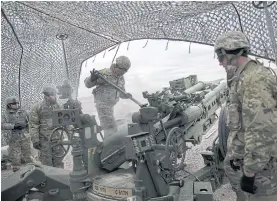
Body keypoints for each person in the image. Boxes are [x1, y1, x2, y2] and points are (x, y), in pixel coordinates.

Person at [214, 31, 277, 201]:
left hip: (262, 173)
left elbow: (261, 130)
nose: (220, 63)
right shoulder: (242, 78)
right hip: (252, 166)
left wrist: (249, 173)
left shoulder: (254, 80)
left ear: (229, 53)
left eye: (220, 57)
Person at [84, 55, 131, 138]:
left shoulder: (120, 78)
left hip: (111, 106)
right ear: (117, 66)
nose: (123, 72)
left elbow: (121, 92)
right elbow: (87, 84)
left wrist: (126, 95)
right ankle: (109, 148)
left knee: (112, 127)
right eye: (122, 70)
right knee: (111, 129)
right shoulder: (105, 74)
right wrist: (92, 78)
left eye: (125, 71)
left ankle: (108, 144)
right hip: (103, 105)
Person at [29, 86, 65, 168]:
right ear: (45, 96)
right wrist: (35, 139)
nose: (53, 97)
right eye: (50, 95)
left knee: (59, 162)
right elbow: (33, 124)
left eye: (54, 95)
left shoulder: (59, 106)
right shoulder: (37, 107)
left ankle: (60, 179)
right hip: (44, 141)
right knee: (46, 164)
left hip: (57, 140)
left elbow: (66, 121)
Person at [1, 96, 33, 172]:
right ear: (8, 105)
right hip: (13, 139)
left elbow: (31, 122)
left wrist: (27, 126)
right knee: (15, 160)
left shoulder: (24, 112)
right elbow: (2, 125)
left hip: (25, 138)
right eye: (13, 104)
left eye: (17, 103)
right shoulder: (5, 114)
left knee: (28, 157)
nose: (16, 105)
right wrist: (13, 126)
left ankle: (31, 172)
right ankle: (17, 175)